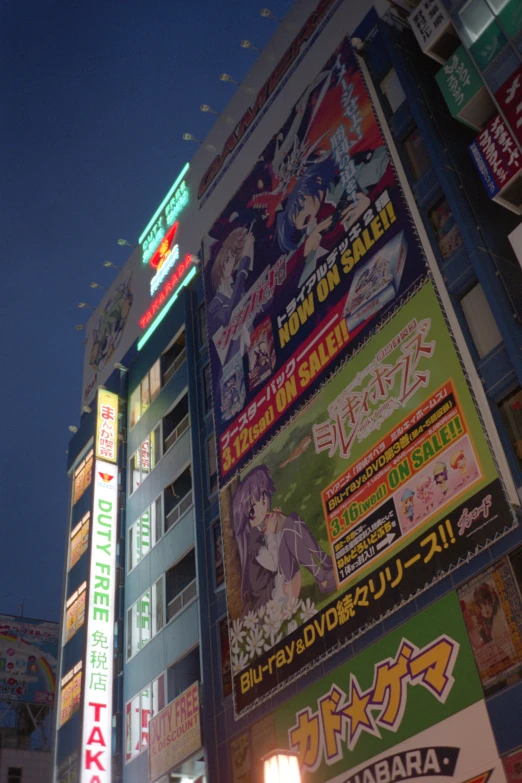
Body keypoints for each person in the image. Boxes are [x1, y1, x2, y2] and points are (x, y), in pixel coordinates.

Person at [231, 465, 336, 612]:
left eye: (263, 498)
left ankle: (325, 561)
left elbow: (289, 537)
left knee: (292, 519)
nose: (263, 505)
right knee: (287, 527)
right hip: (277, 601)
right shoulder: (252, 544)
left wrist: (279, 522)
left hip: (286, 582)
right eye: (254, 509)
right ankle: (321, 576)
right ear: (245, 517)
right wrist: (271, 534)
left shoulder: (262, 527)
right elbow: (273, 564)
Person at [208, 226, 255, 366]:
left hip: (255, 352)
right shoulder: (214, 305)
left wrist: (248, 250)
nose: (230, 263)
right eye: (227, 259)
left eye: (232, 259)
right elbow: (230, 314)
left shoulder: (239, 291)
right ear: (219, 267)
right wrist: (245, 258)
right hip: (234, 371)